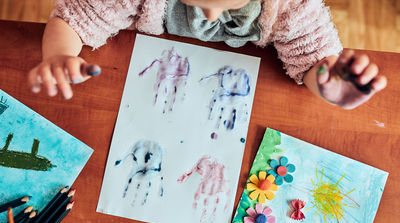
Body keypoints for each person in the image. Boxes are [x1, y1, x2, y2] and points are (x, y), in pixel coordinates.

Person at [28, 0, 387, 109]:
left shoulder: (291, 6)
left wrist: (328, 85)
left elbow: (311, 57)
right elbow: (76, 17)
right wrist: (59, 54)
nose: (211, 17)